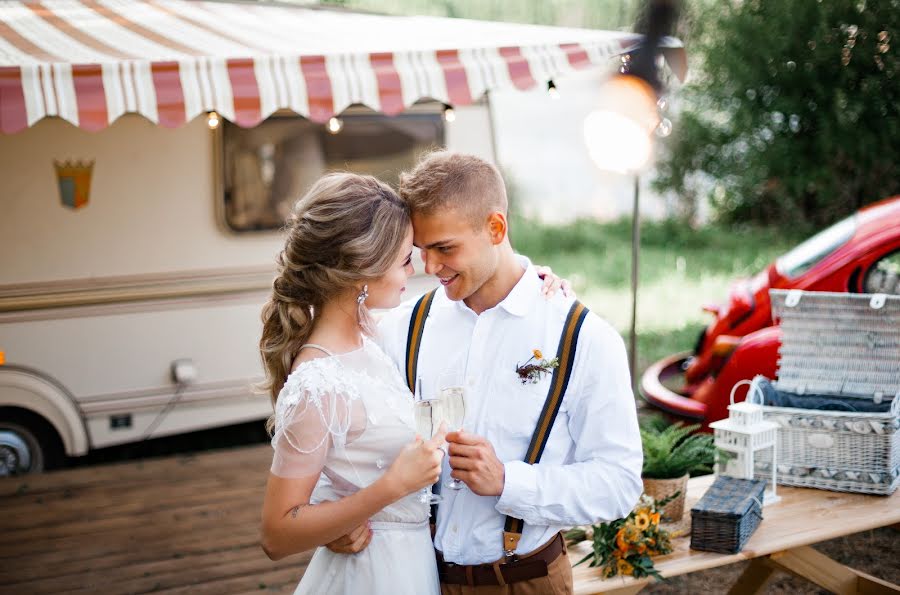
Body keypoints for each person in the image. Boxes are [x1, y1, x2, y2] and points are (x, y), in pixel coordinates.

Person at [334, 151, 644, 594]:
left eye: (445, 248)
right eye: (421, 250)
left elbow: (619, 483)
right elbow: (349, 436)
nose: (430, 267)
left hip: (525, 581)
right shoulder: (402, 328)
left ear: (496, 228)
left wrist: (508, 481)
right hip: (418, 578)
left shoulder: (583, 339)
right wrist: (338, 515)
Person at [258, 172, 570, 595]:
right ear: (361, 269)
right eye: (407, 257)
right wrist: (391, 488)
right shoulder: (316, 383)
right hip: (373, 574)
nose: (420, 268)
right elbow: (276, 535)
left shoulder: (377, 332)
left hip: (416, 565)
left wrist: (535, 283)